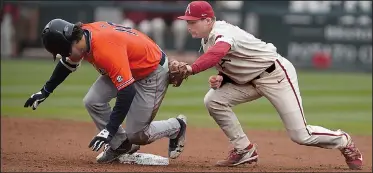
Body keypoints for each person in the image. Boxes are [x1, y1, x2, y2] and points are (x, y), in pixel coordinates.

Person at [172, 1, 363, 169]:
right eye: (187, 21)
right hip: (250, 81)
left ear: (208, 20)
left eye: (192, 21)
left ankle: (343, 141)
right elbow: (234, 62)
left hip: (275, 76)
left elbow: (220, 51)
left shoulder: (222, 32)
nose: (189, 26)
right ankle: (244, 150)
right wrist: (223, 78)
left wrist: (191, 69)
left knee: (301, 135)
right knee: (213, 100)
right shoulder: (207, 40)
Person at [23, 18, 187, 163]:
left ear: (69, 43)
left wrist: (109, 129)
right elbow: (67, 64)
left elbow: (127, 92)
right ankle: (121, 145)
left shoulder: (103, 49)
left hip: (151, 71)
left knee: (137, 135)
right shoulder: (82, 36)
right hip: (127, 64)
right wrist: (45, 91)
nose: (62, 55)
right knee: (92, 101)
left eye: (61, 51)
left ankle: (176, 126)